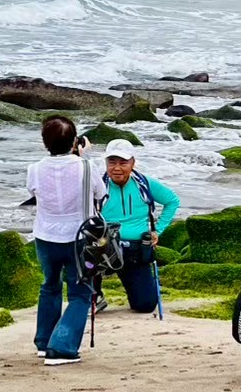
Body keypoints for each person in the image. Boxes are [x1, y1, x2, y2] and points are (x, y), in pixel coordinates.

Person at [28, 117, 105, 365]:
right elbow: (101, 194)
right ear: (75, 141)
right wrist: (84, 157)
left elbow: (33, 192)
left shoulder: (35, 168)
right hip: (79, 237)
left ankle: (44, 341)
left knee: (50, 285)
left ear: (44, 143)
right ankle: (61, 347)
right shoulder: (86, 166)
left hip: (45, 235)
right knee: (80, 293)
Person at [95, 139, 179, 315]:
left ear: (133, 162)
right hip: (105, 249)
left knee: (145, 305)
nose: (117, 168)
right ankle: (95, 295)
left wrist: (158, 231)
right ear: (105, 163)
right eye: (112, 162)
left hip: (136, 251)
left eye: (123, 162)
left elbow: (172, 201)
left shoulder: (145, 184)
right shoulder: (97, 185)